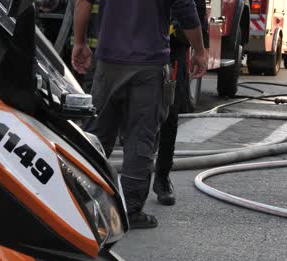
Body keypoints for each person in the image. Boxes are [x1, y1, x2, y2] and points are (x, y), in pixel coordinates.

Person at [72, 0, 208, 228]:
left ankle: (83, 200)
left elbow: (83, 3)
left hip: (108, 63)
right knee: (140, 137)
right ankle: (130, 210)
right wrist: (200, 51)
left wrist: (79, 42)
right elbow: (186, 7)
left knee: (97, 135)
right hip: (149, 64)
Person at [153, 0, 209, 206]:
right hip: (138, 43)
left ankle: (162, 178)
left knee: (171, 112)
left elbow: (197, 7)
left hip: (173, 46)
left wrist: (201, 49)